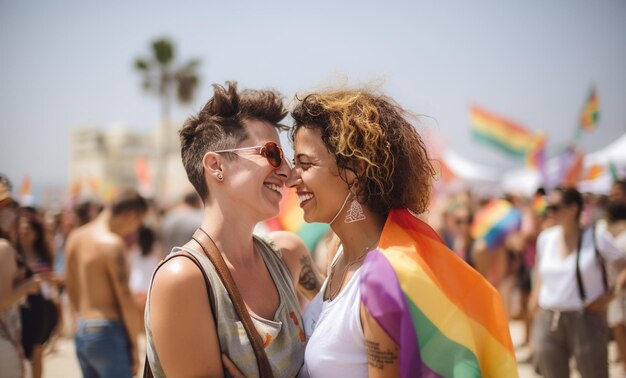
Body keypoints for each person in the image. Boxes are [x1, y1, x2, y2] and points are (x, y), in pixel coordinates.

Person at [287, 88, 516, 377]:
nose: (292, 179)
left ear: (354, 172)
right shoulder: (340, 254)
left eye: (305, 164)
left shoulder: (379, 277)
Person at [146, 81, 319, 377]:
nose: (287, 173)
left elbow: (346, 320)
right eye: (271, 154)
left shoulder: (288, 254)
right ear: (216, 166)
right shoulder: (184, 279)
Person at [531, 186, 626, 378]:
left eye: (555, 207)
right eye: (547, 207)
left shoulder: (596, 236)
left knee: (594, 373)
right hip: (549, 317)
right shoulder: (546, 238)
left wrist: (611, 296)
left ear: (573, 208)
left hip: (585, 317)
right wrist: (535, 307)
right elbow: (541, 274)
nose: (549, 212)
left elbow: (623, 266)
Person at [65, 189, 148, 378]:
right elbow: (125, 298)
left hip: (83, 330)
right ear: (130, 215)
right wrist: (135, 346)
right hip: (108, 331)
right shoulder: (112, 244)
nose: (135, 229)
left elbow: (71, 287)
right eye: (138, 223)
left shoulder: (75, 237)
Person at [0, 175, 42, 378]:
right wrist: (28, 285)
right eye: (5, 206)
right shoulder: (4, 248)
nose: (11, 212)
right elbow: (2, 301)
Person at [16, 214, 60, 378]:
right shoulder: (13, 253)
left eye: (28, 228)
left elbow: (52, 277)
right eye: (22, 227)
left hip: (42, 307)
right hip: (22, 307)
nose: (24, 231)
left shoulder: (43, 253)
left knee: (38, 352)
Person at [160, 191, 203, 257]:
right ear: (197, 201)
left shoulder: (169, 217)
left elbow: (162, 242)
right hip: (191, 260)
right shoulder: (199, 217)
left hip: (169, 259)